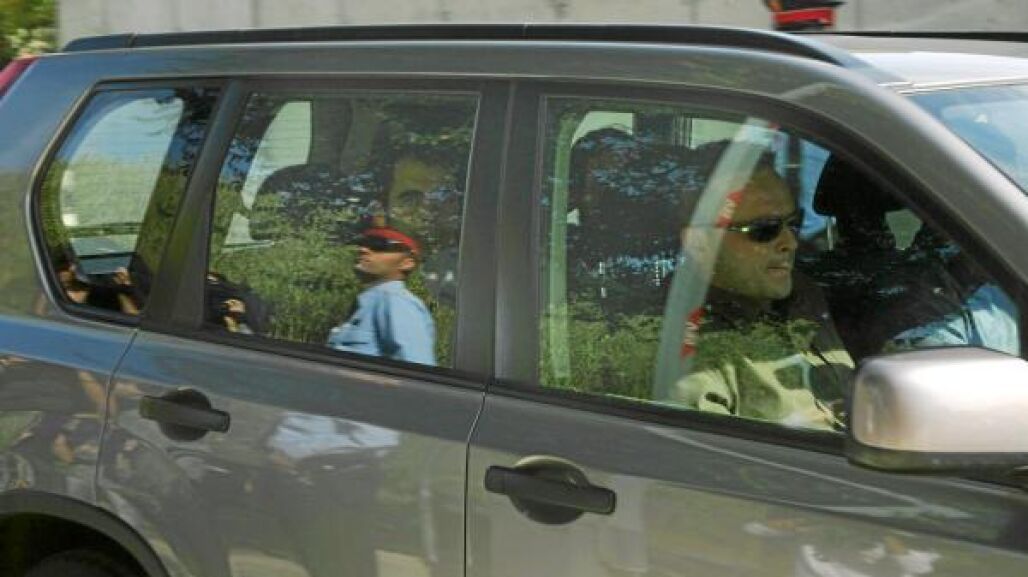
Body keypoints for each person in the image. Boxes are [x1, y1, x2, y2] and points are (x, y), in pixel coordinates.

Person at [667, 159, 853, 430]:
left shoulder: (803, 293)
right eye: (764, 229)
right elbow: (702, 452)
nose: (790, 242)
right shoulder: (683, 346)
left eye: (794, 223)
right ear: (700, 243)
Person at [326, 226, 436, 365]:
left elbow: (416, 372)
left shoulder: (396, 302)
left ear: (407, 263)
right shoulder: (371, 302)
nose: (363, 250)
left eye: (378, 246)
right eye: (363, 244)